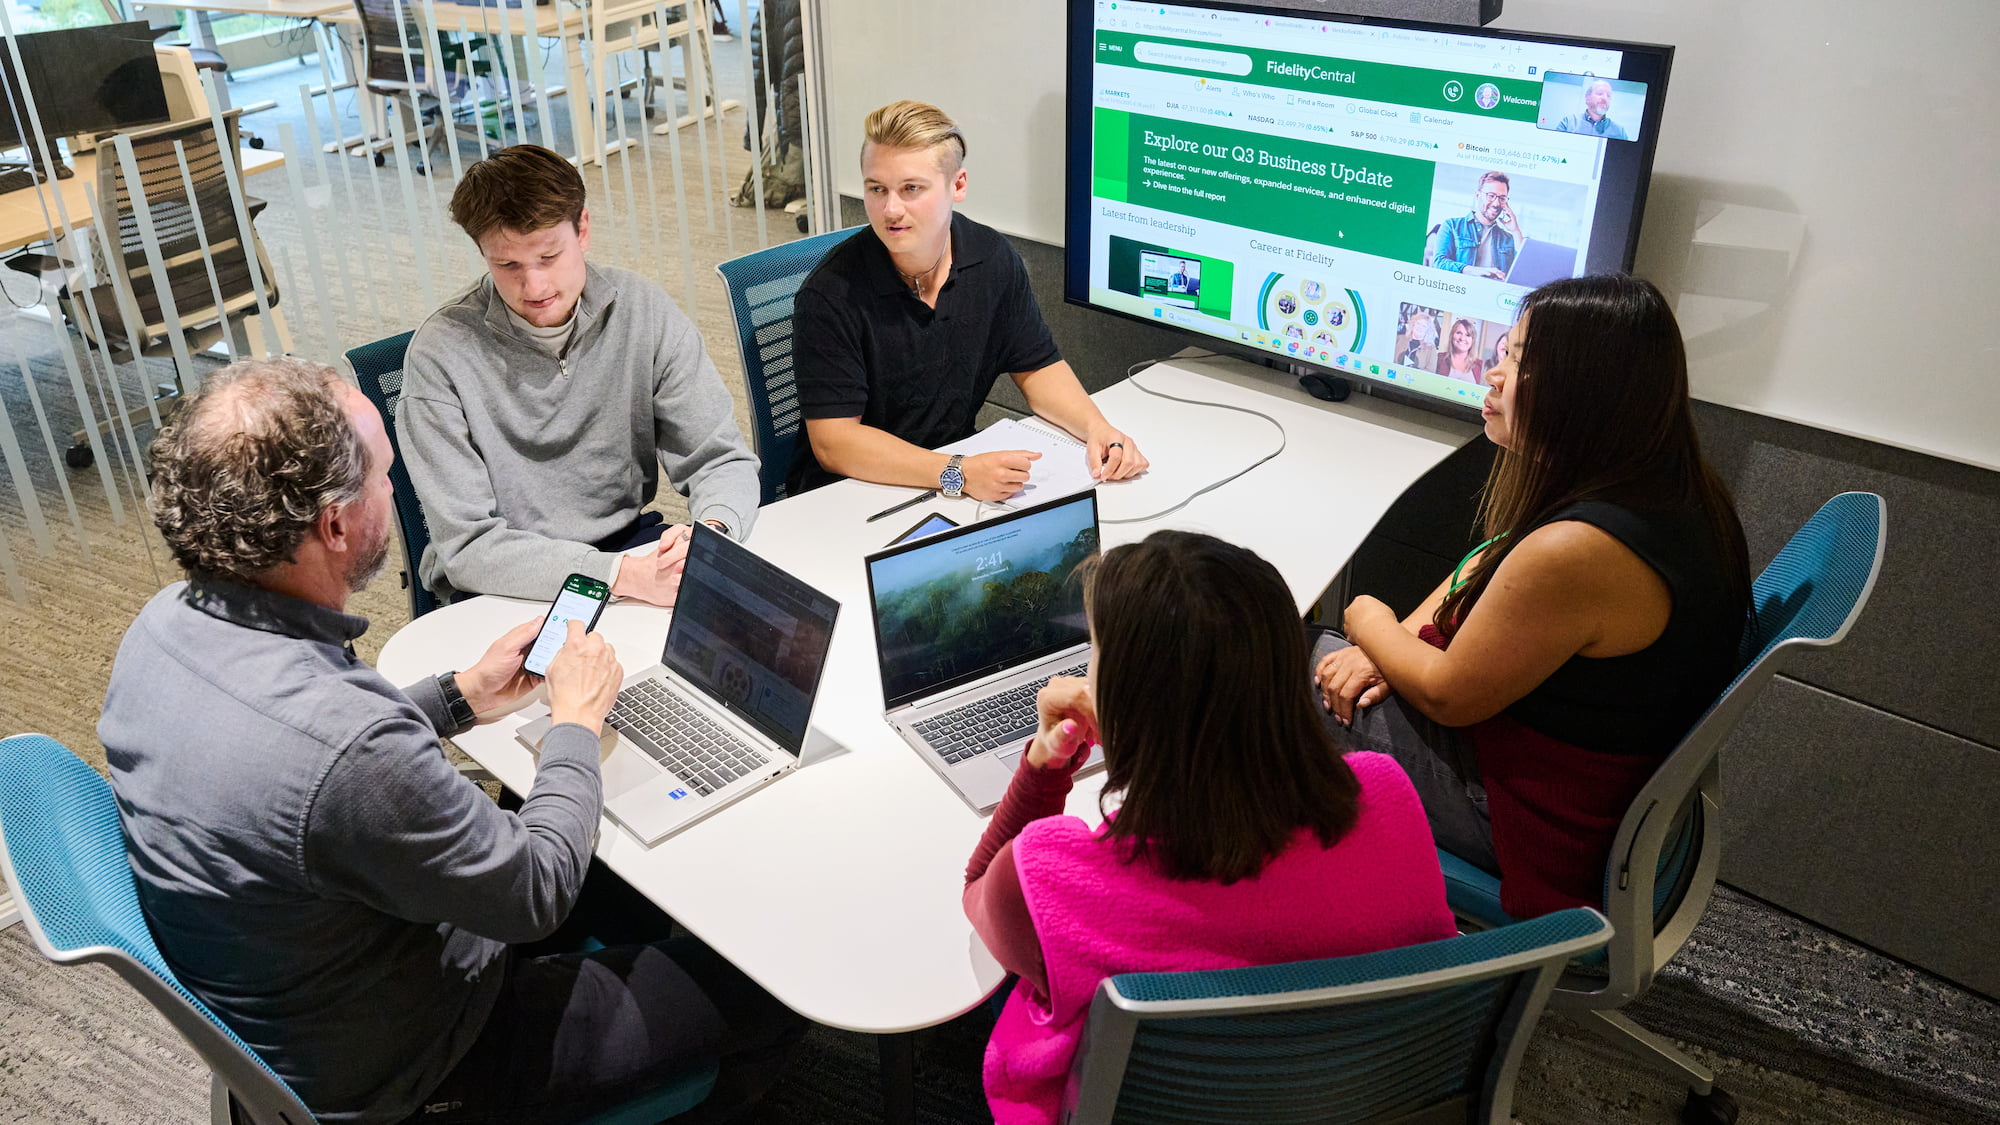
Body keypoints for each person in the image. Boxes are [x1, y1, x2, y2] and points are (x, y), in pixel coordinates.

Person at [101, 357, 802, 1125]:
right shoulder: (349, 747)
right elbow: (535, 889)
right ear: (334, 523)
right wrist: (575, 720)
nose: (394, 487)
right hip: (428, 1058)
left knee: (622, 864)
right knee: (773, 979)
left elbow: (291, 764)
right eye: (381, 476)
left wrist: (460, 694)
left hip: (308, 995)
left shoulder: (163, 624)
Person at [964, 531, 1456, 1125]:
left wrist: (1044, 767)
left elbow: (976, 889)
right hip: (1350, 1096)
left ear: (1123, 701)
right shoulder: (1387, 796)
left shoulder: (1047, 876)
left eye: (1095, 656)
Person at [1313, 275, 1751, 920]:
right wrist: (1394, 641)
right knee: (1316, 664)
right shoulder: (1657, 480)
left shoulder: (1578, 550)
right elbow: (1490, 557)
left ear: (1578, 390)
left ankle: (1246, 923)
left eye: (1514, 360)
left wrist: (1369, 621)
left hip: (1526, 815)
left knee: (1257, 669)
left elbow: (1447, 696)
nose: (1490, 374)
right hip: (1580, 771)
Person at [401, 144, 760, 608]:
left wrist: (712, 535)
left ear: (583, 229)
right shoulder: (440, 354)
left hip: (629, 544)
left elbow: (720, 460)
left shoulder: (641, 311)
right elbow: (468, 548)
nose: (535, 287)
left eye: (549, 256)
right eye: (507, 265)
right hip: (504, 583)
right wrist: (617, 575)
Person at [789, 100, 1148, 500]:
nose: (890, 209)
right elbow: (834, 443)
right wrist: (956, 472)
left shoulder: (991, 258)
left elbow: (1037, 365)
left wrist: (1097, 428)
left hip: (949, 473)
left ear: (957, 186)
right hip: (852, 492)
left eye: (911, 189)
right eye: (877, 189)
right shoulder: (830, 294)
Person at [1431, 171, 1523, 279]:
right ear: (1478, 195)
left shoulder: (1508, 238)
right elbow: (1439, 262)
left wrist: (1515, 231)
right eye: (1491, 196)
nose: (1496, 204)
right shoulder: (1452, 226)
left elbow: (1523, 271)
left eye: (1502, 198)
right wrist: (1474, 270)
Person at [1555, 79, 1630, 140]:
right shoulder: (1568, 122)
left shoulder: (1620, 131)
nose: (1605, 98)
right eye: (1600, 93)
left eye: (1608, 96)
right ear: (1587, 98)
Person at [1437, 317, 1482, 383]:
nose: (1462, 338)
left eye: (1468, 335)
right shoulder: (1439, 358)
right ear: (1452, 335)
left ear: (1473, 340)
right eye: (1459, 333)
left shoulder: (1480, 365)